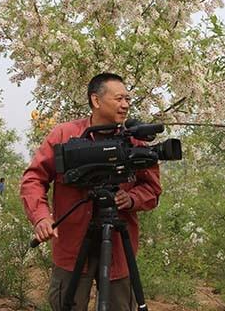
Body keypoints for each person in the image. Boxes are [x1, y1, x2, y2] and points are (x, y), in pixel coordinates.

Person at [20, 73, 162, 311]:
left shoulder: (134, 142)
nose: (125, 104)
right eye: (119, 98)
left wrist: (131, 199)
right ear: (96, 101)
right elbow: (33, 178)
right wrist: (41, 217)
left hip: (119, 246)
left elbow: (152, 189)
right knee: (67, 304)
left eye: (128, 99)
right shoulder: (65, 136)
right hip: (72, 246)